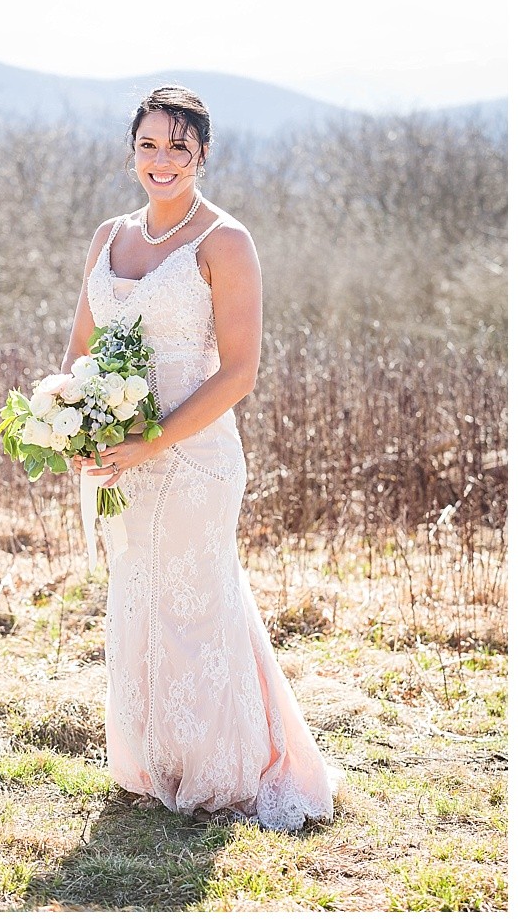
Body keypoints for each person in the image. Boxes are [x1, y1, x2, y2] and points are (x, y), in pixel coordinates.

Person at [62, 85, 336, 830]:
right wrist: (79, 435)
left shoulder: (225, 241)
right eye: (149, 145)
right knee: (138, 601)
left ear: (203, 155)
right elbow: (79, 352)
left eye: (178, 148)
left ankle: (227, 767)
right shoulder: (107, 236)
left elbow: (239, 371)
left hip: (196, 457)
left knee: (197, 603)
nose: (162, 161)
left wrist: (153, 439)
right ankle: (156, 761)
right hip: (120, 461)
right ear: (132, 152)